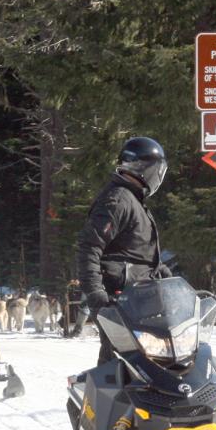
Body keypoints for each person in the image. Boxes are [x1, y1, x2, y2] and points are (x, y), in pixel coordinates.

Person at [75, 137, 173, 365]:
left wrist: (166, 276)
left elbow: (136, 254)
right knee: (121, 362)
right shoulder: (118, 199)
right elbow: (89, 247)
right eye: (158, 170)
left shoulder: (131, 198)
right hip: (118, 300)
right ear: (146, 169)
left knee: (148, 361)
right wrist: (96, 293)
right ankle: (104, 400)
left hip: (138, 297)